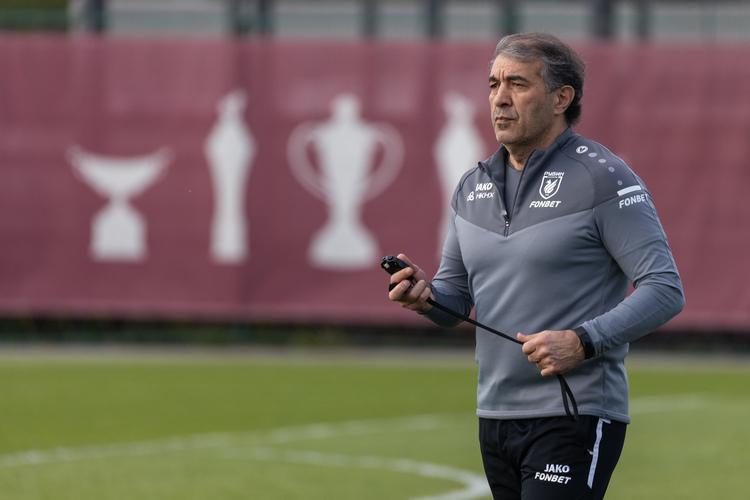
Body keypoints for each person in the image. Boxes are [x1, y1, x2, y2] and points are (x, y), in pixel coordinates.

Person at [387, 32, 684, 500]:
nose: (500, 99)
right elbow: (455, 299)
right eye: (493, 84)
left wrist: (582, 341)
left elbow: (664, 288)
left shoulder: (603, 177)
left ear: (562, 98)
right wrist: (426, 298)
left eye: (518, 84)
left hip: (575, 412)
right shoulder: (471, 186)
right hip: (495, 417)